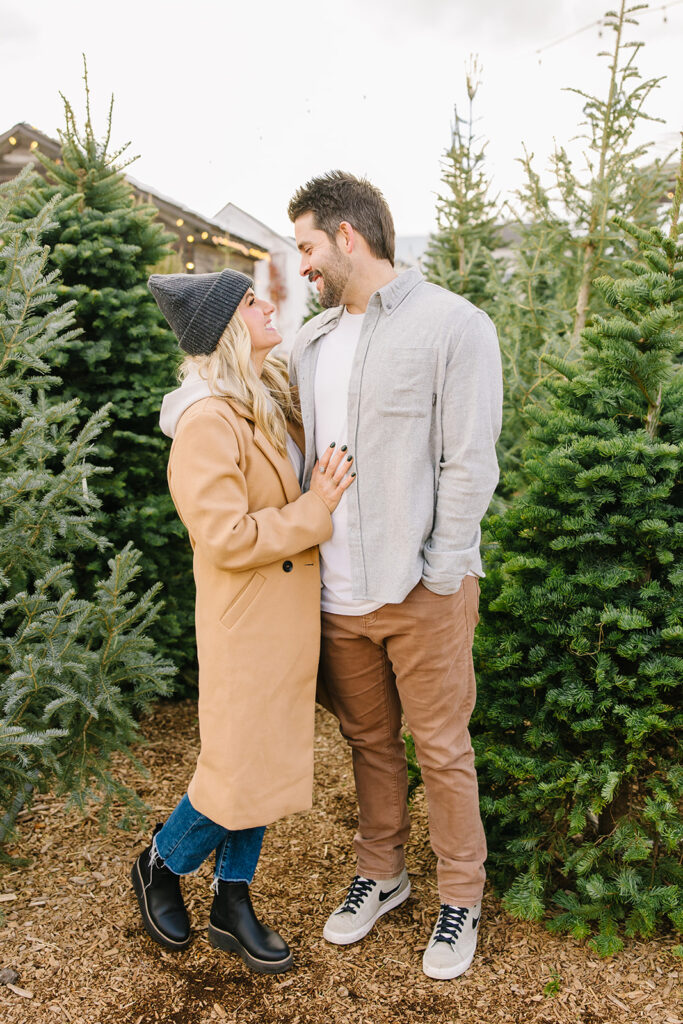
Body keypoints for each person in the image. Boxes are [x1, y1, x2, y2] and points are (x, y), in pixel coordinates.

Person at [287, 172, 503, 980]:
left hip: (421, 591)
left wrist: (441, 574)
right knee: (368, 743)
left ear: (347, 236)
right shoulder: (309, 343)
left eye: (307, 246)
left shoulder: (454, 325)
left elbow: (469, 459)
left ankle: (460, 898)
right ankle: (381, 876)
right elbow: (238, 405)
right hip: (337, 595)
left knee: (442, 749)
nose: (301, 265)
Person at [131, 268, 355, 975]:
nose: (268, 306)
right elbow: (224, 536)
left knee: (259, 764)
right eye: (251, 302)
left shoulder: (264, 394)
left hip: (283, 619)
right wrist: (314, 508)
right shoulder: (205, 420)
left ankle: (232, 903)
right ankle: (161, 864)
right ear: (226, 326)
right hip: (247, 623)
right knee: (238, 766)